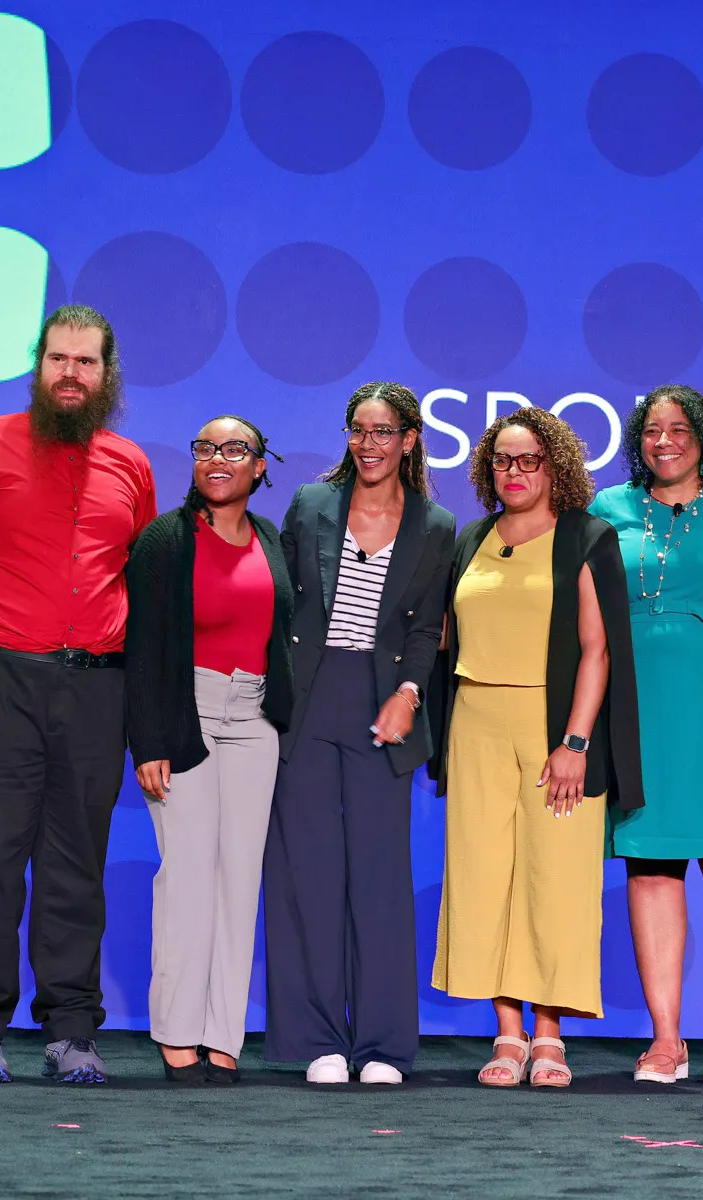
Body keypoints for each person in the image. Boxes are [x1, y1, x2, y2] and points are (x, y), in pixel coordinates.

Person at [0, 305, 156, 1085]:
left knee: (74, 864)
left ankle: (71, 1030)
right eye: (58, 359)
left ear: (106, 375)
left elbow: (142, 582)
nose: (70, 374)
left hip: (96, 688)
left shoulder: (130, 465)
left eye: (86, 363)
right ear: (38, 364)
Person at [429, 407, 643, 1088]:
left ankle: (550, 1033)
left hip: (553, 726)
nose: (514, 472)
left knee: (556, 878)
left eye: (528, 460)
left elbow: (597, 647)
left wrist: (575, 741)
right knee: (485, 875)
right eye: (502, 461)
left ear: (556, 466)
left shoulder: (585, 535)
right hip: (475, 723)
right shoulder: (472, 538)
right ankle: (508, 1033)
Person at [263, 382, 457, 1086]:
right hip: (309, 705)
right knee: (309, 873)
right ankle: (319, 1039)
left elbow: (426, 625)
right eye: (358, 430)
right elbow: (277, 597)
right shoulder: (311, 505)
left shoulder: (436, 526)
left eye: (384, 432)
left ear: (409, 439)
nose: (369, 444)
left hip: (385, 710)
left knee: (379, 877)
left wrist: (409, 693)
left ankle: (381, 1046)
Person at [589, 385, 703, 1087]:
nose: (665, 441)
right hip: (639, 707)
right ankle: (665, 1040)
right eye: (651, 430)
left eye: (679, 428)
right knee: (651, 866)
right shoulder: (609, 507)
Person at [125, 416, 292, 1085]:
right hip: (183, 714)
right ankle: (177, 1033)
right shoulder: (166, 540)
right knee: (187, 880)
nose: (216, 459)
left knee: (237, 882)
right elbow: (143, 650)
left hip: (254, 722)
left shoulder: (270, 537)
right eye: (204, 448)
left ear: (259, 466)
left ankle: (224, 1036)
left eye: (234, 450)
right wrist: (151, 740)